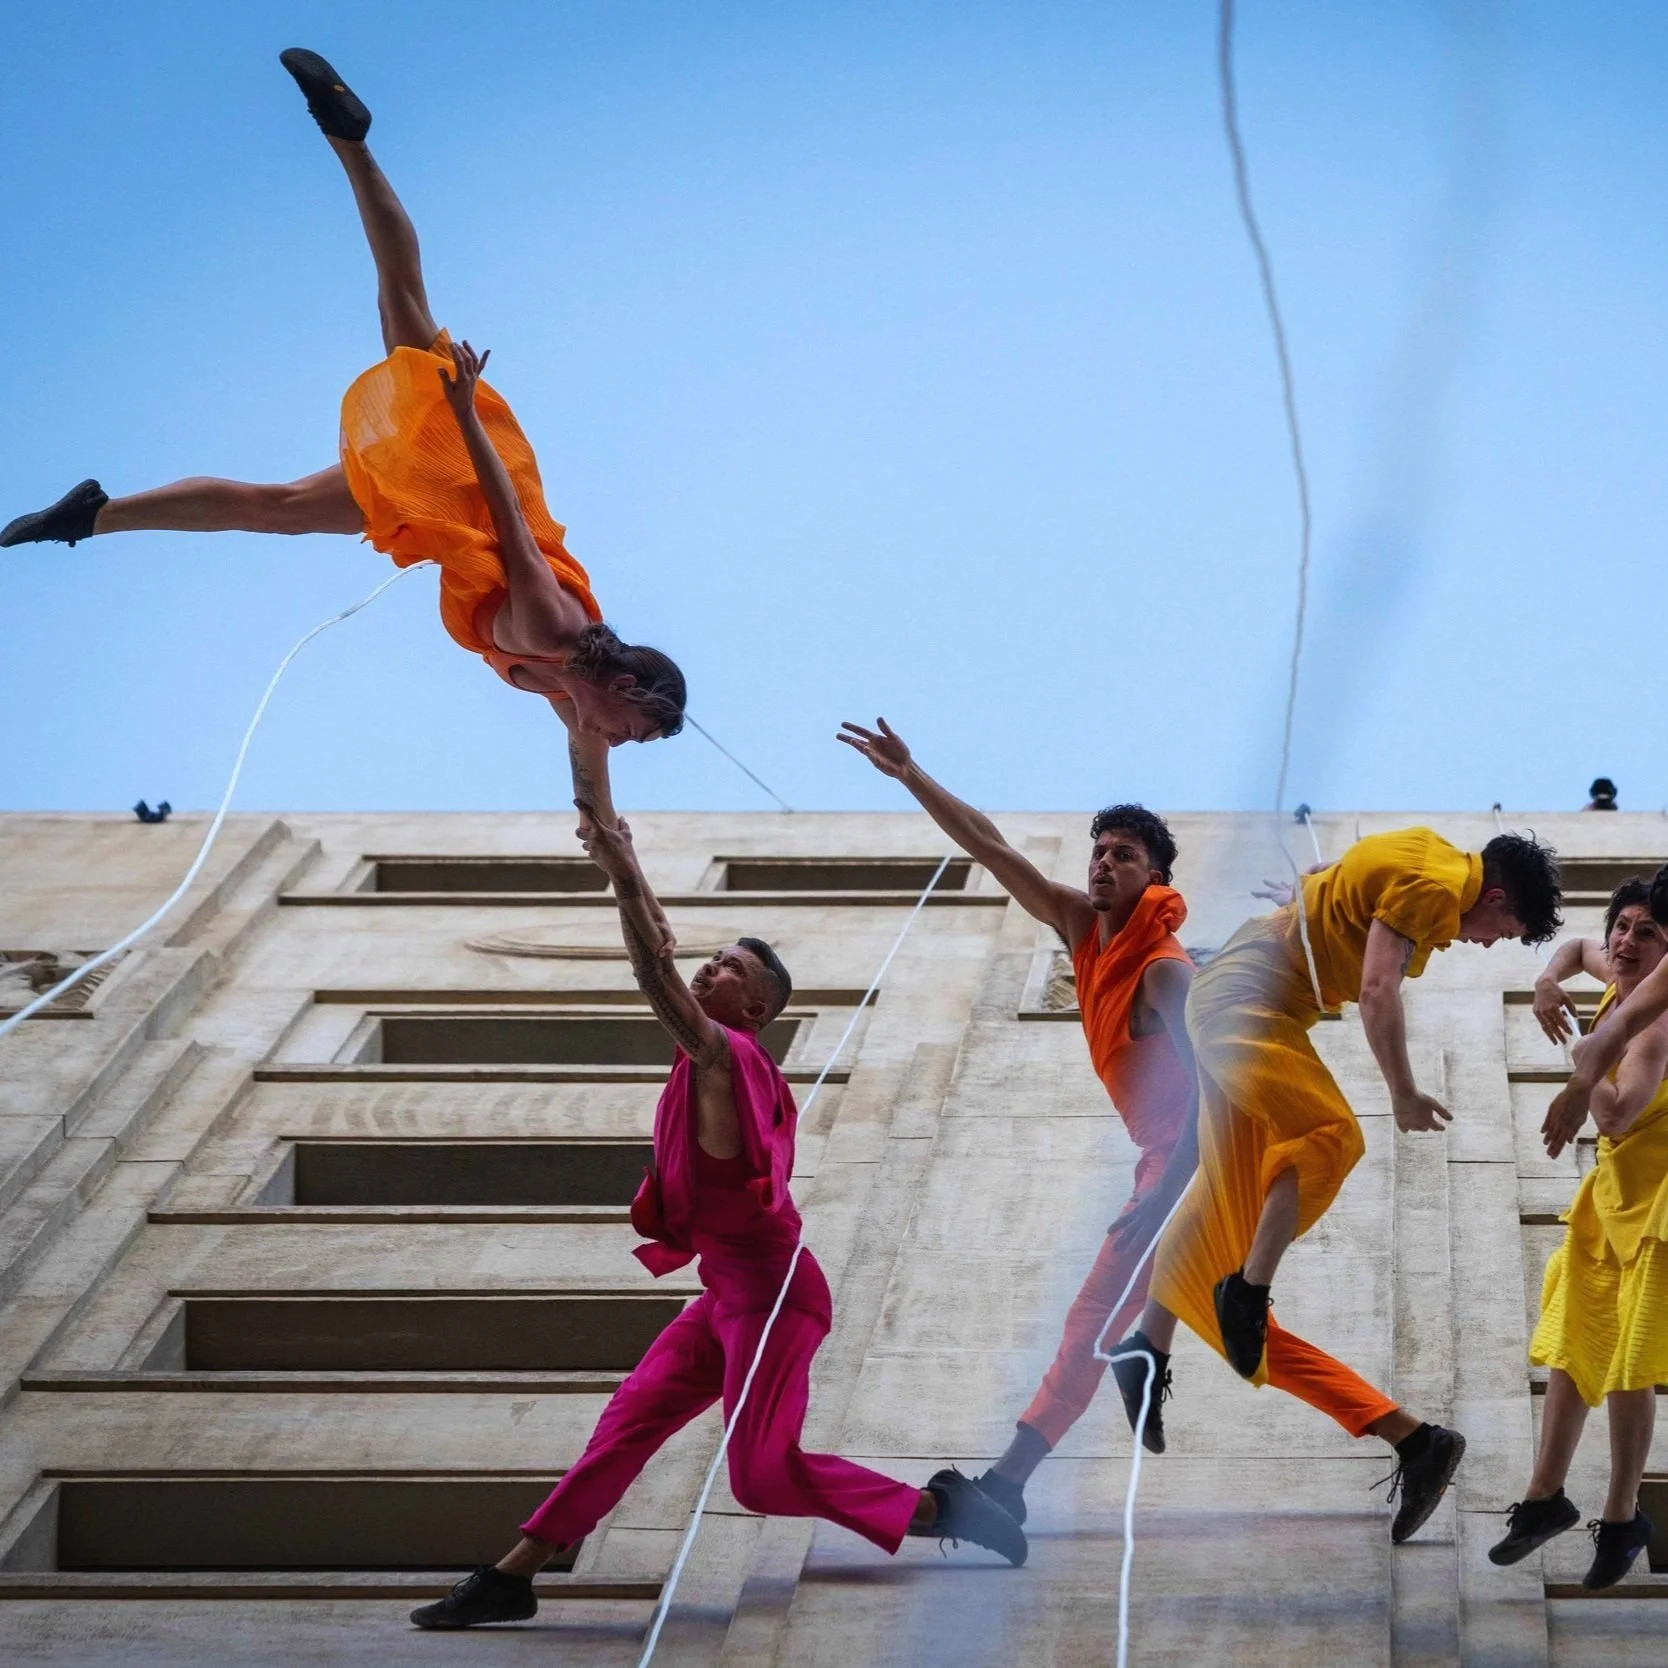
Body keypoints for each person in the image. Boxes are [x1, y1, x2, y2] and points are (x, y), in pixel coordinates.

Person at [1, 49, 684, 830]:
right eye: (633, 732)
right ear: (623, 689)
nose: (620, 742)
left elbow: (592, 787)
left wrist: (612, 847)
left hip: (440, 511)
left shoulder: (571, 687)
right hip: (461, 478)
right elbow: (509, 525)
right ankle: (350, 141)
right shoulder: (554, 631)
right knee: (398, 312)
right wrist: (463, 414)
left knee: (283, 503)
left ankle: (91, 516)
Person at [411, 807, 1026, 1630]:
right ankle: (512, 1577)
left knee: (760, 1478)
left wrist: (622, 875)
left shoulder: (726, 1056)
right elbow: (662, 950)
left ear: (758, 1006)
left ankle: (941, 1509)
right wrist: (627, 866)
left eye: (731, 968)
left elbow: (653, 972)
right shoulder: (700, 1059)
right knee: (625, 1425)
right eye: (712, 960)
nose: (711, 969)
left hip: (773, 1293)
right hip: (725, 1294)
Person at [1119, 827, 1563, 1543]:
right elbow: (1377, 990)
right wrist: (1404, 1093)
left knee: (1225, 1196)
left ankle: (1150, 1345)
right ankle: (1246, 1294)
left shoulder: (1424, 849)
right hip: (1246, 1003)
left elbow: (1342, 871)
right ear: (1496, 896)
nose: (1485, 944)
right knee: (1332, 1137)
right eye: (1501, 932)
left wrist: (1310, 894)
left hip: (1240, 992)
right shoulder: (1434, 888)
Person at [837, 717, 1196, 1520]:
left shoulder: (1165, 971)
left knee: (1094, 1319)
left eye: (1123, 855)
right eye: (1098, 851)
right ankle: (1405, 1435)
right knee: (1155, 1318)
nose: (1103, 863)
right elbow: (992, 849)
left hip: (1194, 1160)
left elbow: (1219, 1094)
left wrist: (1161, 1198)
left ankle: (1008, 1489)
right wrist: (911, 774)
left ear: (1155, 877)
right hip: (1166, 1162)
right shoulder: (1082, 928)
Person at [1489, 876, 1668, 1588]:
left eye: (1647, 934)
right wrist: (1545, 980)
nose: (1625, 941)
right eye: (1623, 925)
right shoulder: (1617, 970)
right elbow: (1574, 947)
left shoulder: (1655, 1026)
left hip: (1656, 1207)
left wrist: (1582, 1062)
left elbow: (1618, 1113)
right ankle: (1544, 1498)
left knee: (1626, 1362)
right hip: (1611, 1197)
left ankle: (1623, 1516)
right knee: (1572, 1343)